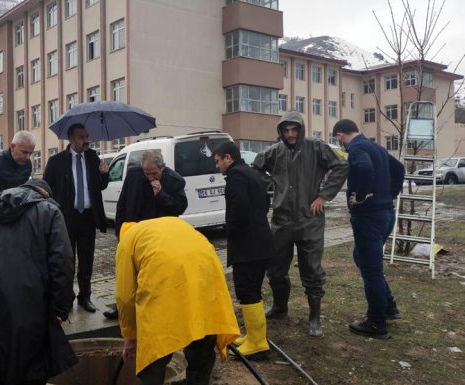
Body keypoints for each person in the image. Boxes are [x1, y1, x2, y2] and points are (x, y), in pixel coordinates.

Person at [0, 179, 77, 385]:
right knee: (30, 367)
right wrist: (61, 308)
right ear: (45, 193)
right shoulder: (50, 211)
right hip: (31, 303)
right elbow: (62, 263)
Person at [253, 111, 348, 337]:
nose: (290, 134)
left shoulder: (316, 148)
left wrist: (323, 196)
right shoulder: (275, 152)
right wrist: (273, 187)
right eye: (286, 130)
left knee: (312, 271)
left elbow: (341, 166)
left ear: (301, 129)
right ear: (281, 131)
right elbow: (255, 168)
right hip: (282, 221)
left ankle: (314, 317)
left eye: (294, 129)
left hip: (310, 220)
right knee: (275, 269)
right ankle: (279, 306)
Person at [115, 217, 240, 385]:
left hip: (167, 282)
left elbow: (125, 298)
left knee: (154, 355)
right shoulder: (163, 225)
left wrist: (130, 337)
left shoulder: (126, 242)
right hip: (207, 276)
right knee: (201, 340)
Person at [333, 119, 405, 339]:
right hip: (386, 214)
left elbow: (364, 169)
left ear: (339, 136)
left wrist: (360, 197)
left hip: (369, 217)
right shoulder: (375, 147)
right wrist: (391, 194)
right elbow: (399, 169)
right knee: (361, 257)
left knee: (371, 269)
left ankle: (376, 322)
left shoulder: (356, 149)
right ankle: (388, 306)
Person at [104, 150, 187, 320]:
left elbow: (179, 207)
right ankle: (124, 310)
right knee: (128, 277)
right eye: (146, 172)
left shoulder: (174, 180)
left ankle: (155, 310)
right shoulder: (134, 175)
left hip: (159, 239)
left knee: (155, 277)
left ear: (162, 167)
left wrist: (161, 194)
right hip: (135, 235)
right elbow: (123, 203)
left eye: (154, 173)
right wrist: (120, 233)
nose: (150, 177)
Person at [213, 141, 274, 359]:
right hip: (259, 242)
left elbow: (238, 207)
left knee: (247, 292)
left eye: (218, 161)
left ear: (228, 158)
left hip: (249, 246)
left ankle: (258, 344)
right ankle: (253, 336)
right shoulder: (249, 172)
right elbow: (265, 202)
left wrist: (231, 230)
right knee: (251, 291)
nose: (217, 166)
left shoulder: (236, 177)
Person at [43, 124, 109, 313]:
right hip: (66, 217)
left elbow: (100, 186)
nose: (86, 140)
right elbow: (47, 188)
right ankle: (66, 297)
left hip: (88, 217)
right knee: (66, 260)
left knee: (87, 259)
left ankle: (84, 296)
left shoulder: (92, 158)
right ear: (71, 139)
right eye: (81, 137)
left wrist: (104, 175)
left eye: (87, 136)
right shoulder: (57, 161)